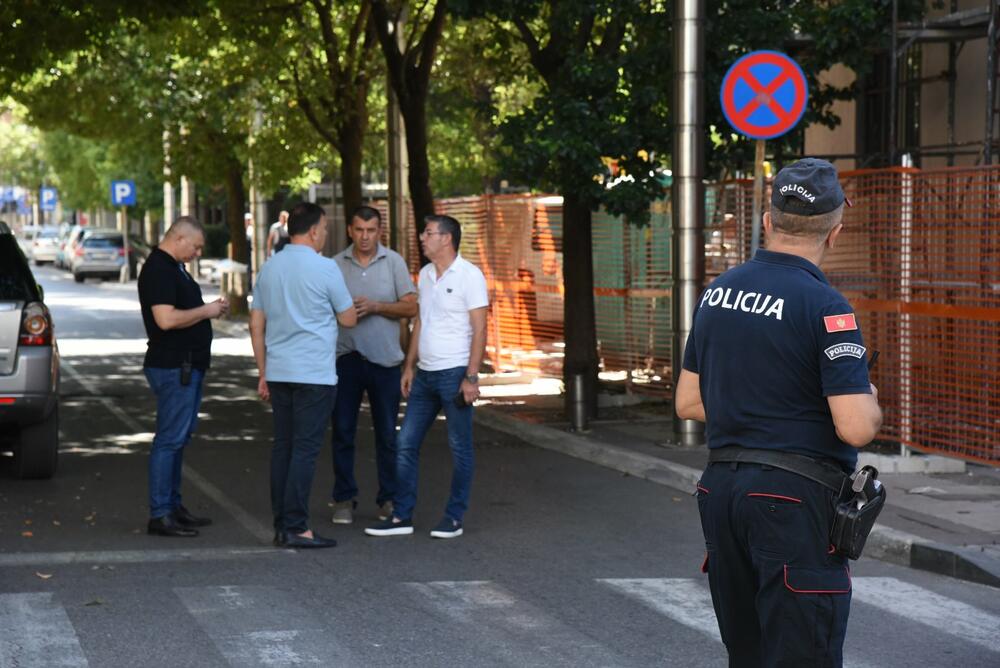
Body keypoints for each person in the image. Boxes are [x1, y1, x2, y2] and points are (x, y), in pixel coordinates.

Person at [675, 158, 882, 667]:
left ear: (768, 220)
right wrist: (868, 395)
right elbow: (856, 427)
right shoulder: (827, 308)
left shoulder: (718, 293)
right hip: (793, 500)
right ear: (835, 232)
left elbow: (688, 402)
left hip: (722, 491)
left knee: (748, 654)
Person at [365, 215, 488, 539]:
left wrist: (471, 377)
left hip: (454, 373)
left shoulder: (470, 276)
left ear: (446, 238)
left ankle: (454, 517)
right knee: (405, 442)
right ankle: (401, 516)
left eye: (429, 232)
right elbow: (421, 321)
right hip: (425, 375)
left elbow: (480, 329)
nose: (422, 236)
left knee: (460, 447)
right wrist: (409, 366)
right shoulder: (427, 275)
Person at [250, 202, 357, 549]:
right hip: (314, 372)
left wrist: (263, 371)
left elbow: (256, 324)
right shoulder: (326, 268)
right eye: (324, 228)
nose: (325, 233)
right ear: (313, 231)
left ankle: (282, 525)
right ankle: (297, 526)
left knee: (283, 446)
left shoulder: (269, 267)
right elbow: (349, 318)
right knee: (305, 450)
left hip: (279, 370)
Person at [138, 216, 229, 537]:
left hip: (185, 366)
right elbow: (165, 320)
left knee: (178, 439)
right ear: (179, 238)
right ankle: (161, 513)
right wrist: (207, 311)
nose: (198, 253)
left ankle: (173, 507)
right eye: (196, 246)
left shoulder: (173, 267)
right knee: (169, 440)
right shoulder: (159, 269)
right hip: (174, 366)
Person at [330, 206, 417, 525]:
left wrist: (377, 306)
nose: (365, 236)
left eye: (371, 230)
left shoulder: (393, 262)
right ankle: (343, 498)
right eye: (359, 230)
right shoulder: (335, 265)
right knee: (342, 431)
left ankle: (388, 498)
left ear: (379, 231)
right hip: (346, 359)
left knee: (387, 434)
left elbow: (411, 307)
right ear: (350, 231)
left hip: (385, 361)